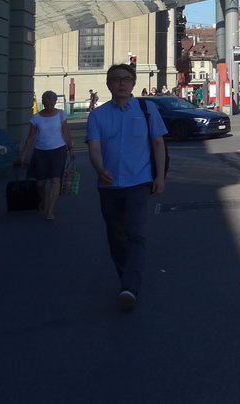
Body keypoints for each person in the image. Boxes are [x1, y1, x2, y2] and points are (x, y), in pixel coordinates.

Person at [86, 62, 167, 311]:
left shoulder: (147, 109)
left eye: (126, 79)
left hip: (139, 182)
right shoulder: (98, 115)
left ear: (133, 83)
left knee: (136, 233)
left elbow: (157, 144)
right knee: (116, 236)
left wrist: (160, 177)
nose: (121, 83)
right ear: (108, 84)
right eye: (116, 79)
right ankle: (126, 278)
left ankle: (130, 287)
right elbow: (94, 147)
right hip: (109, 185)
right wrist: (100, 169)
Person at [20, 91, 75, 221]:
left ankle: (50, 210)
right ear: (43, 103)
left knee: (55, 179)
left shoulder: (61, 114)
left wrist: (71, 148)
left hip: (58, 150)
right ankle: (44, 201)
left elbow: (66, 132)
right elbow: (31, 137)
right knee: (40, 184)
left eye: (51, 103)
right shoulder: (36, 118)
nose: (49, 106)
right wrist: (24, 154)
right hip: (40, 152)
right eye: (46, 103)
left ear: (55, 102)